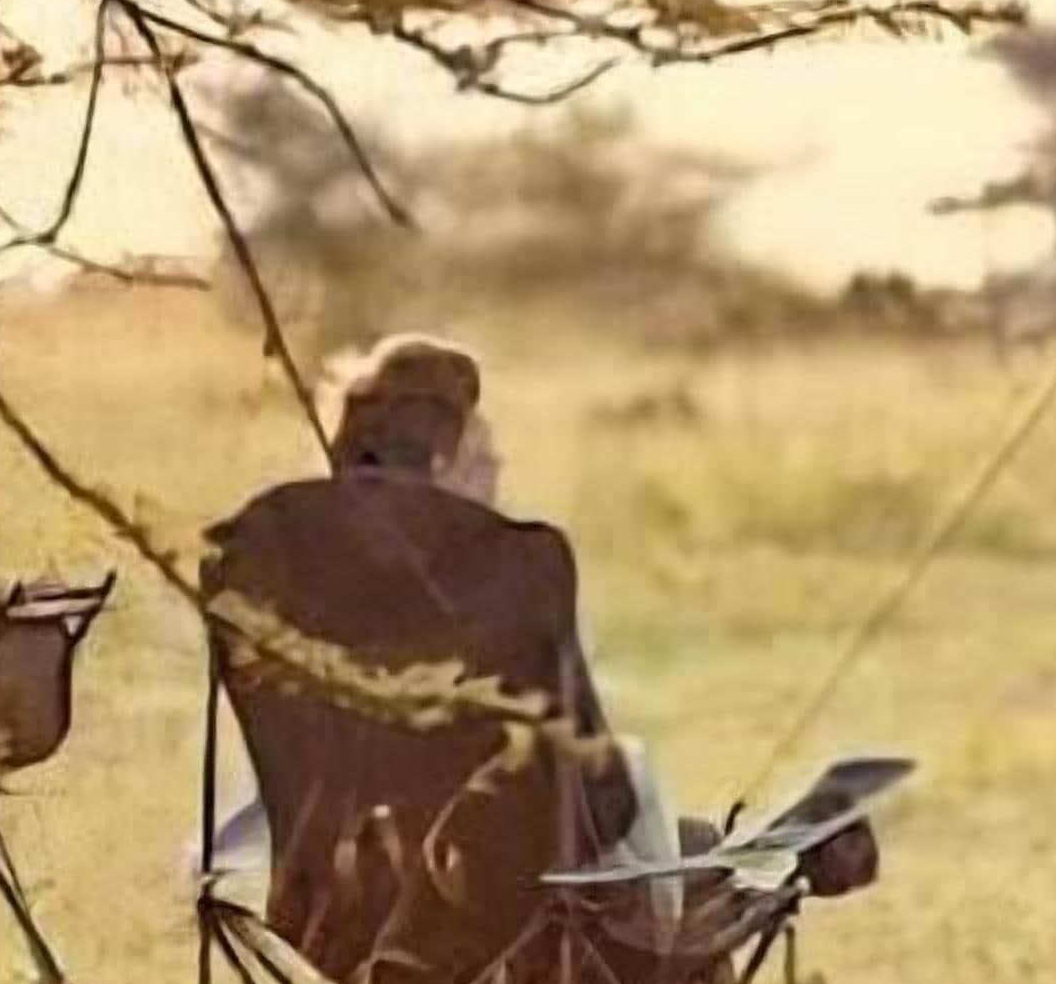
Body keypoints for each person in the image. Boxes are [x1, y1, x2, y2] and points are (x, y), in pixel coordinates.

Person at [206, 335, 876, 929]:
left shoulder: (288, 583)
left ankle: (748, 857)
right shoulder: (513, 581)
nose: (499, 472)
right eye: (484, 455)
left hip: (331, 920)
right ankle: (760, 875)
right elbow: (599, 801)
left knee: (693, 846)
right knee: (687, 889)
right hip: (506, 943)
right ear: (441, 470)